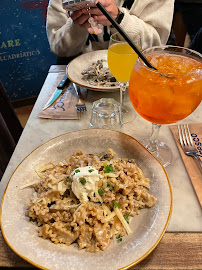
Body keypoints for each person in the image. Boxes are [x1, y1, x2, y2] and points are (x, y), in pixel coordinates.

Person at [46, 0, 174, 64]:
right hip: (79, 76)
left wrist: (120, 19)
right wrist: (78, 23)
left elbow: (155, 48)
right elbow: (59, 48)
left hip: (136, 74)